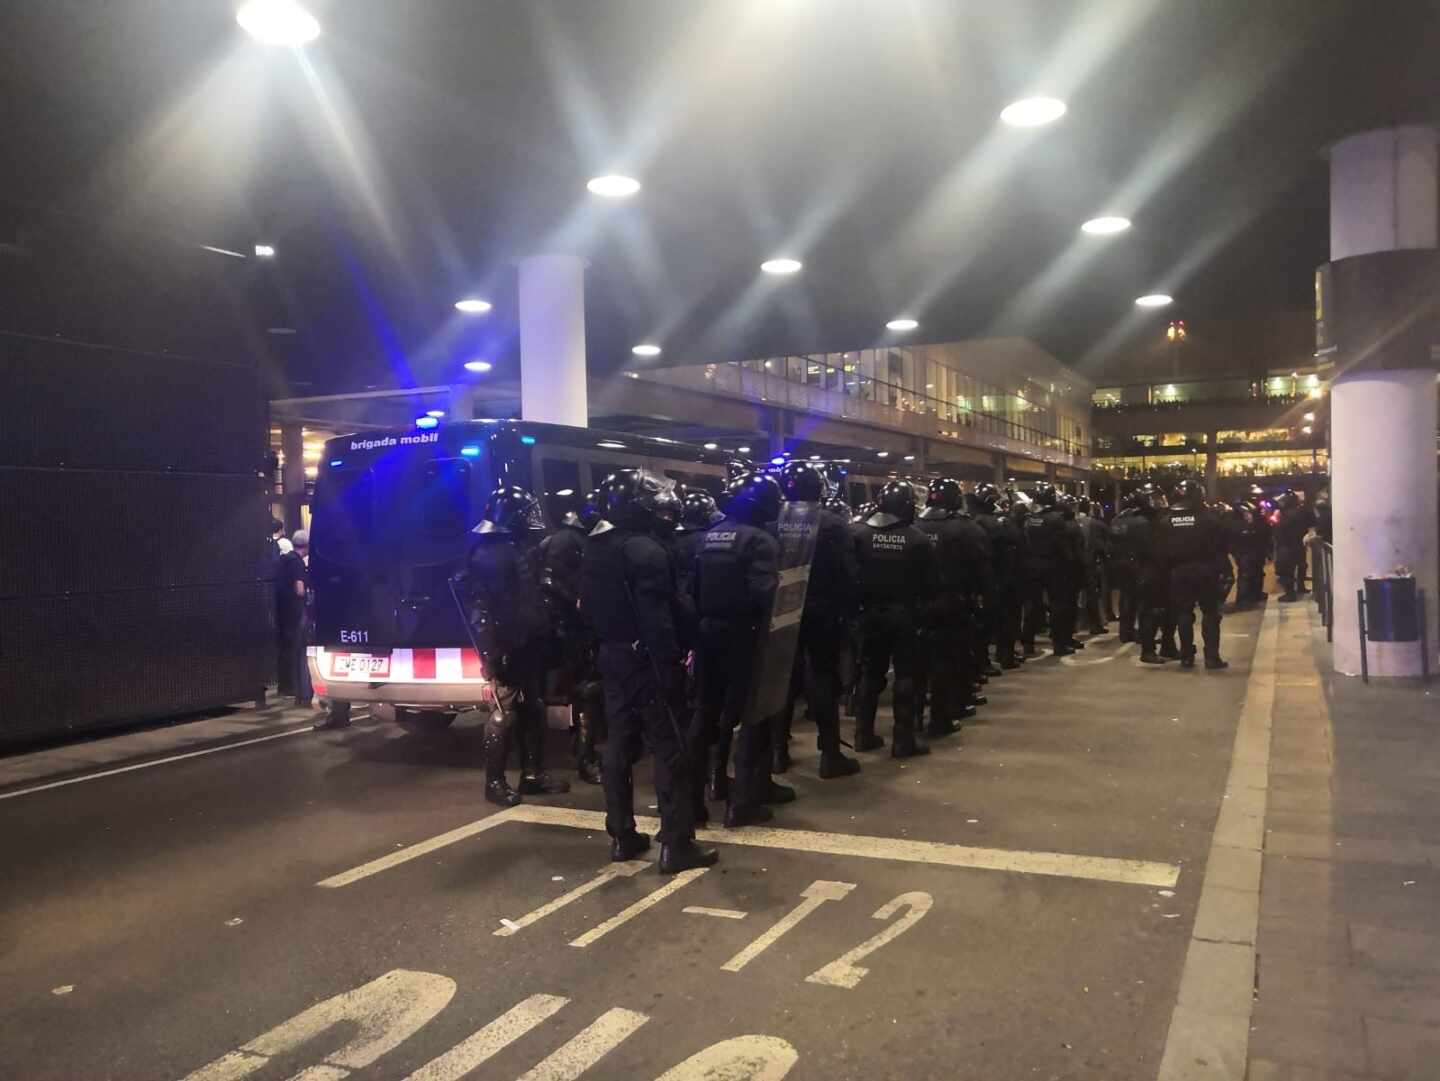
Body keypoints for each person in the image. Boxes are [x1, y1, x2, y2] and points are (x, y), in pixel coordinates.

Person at [581, 469, 716, 873]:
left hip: (612, 656)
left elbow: (586, 610)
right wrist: (677, 656)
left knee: (619, 744)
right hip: (649, 660)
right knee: (670, 747)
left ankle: (622, 834)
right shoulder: (646, 551)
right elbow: (661, 618)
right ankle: (676, 843)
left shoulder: (594, 547)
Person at [460, 486, 569, 806]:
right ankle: (494, 782)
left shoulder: (511, 547)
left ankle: (533, 773)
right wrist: (492, 655)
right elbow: (484, 612)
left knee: (533, 706)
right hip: (507, 643)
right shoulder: (490, 554)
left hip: (526, 640)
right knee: (503, 712)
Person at [693, 472, 785, 827]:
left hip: (708, 634)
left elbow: (694, 590)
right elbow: (766, 596)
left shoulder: (710, 537)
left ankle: (697, 800)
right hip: (745, 637)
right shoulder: (760, 541)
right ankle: (745, 800)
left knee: (705, 716)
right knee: (753, 715)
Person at [771, 462, 863, 778]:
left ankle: (778, 752)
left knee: (783, 679)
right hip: (823, 612)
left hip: (781, 611)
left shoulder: (773, 522)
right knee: (823, 678)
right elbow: (849, 575)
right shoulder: (835, 525)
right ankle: (830, 753)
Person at [852, 480, 938, 758]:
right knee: (905, 674)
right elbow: (931, 585)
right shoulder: (917, 539)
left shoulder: (858, 535)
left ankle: (863, 735)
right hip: (904, 615)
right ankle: (903, 740)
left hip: (868, 614)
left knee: (869, 673)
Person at [916, 477, 988, 737]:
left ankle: (914, 720)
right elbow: (980, 568)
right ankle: (942, 716)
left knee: (918, 664)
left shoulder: (914, 526)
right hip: (953, 604)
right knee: (949, 661)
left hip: (917, 607)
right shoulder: (964, 529)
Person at [541, 490, 602, 784]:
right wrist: (578, 604)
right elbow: (550, 581)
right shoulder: (567, 540)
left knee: (586, 693)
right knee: (585, 692)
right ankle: (585, 756)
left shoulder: (576, 538)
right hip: (571, 629)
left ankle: (583, 750)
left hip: (575, 626)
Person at [1157, 479, 1229, 670]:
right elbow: (1221, 546)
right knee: (1211, 613)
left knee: (1184, 613)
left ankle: (1187, 656)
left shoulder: (1166, 520)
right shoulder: (1209, 518)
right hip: (1206, 569)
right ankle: (1212, 658)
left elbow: (1161, 550)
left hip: (1179, 571)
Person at [1113, 485, 1170, 664]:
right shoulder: (1148, 522)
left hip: (1124, 568)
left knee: (1128, 601)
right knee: (1150, 610)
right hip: (1145, 569)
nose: (1160, 502)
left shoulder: (1120, 519)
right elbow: (1154, 550)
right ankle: (1148, 649)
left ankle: (1127, 632)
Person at [274, 530, 310, 702]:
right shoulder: (296, 563)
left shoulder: (283, 560)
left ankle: (286, 687)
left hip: (283, 610)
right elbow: (299, 588)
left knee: (286, 649)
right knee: (298, 650)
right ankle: (299, 689)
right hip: (296, 611)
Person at [1076, 497, 1110, 636]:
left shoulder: (1072, 521)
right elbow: (1099, 546)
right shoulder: (1094, 524)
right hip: (1088, 563)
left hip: (1072, 564)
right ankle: (1094, 625)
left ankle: (1075, 624)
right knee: (1092, 596)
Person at [1273, 490, 1313, 602]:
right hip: (1298, 544)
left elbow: (1279, 530)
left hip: (1286, 545)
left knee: (1286, 570)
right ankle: (1301, 587)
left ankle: (1290, 594)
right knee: (1301, 565)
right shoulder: (1302, 511)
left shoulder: (1285, 514)